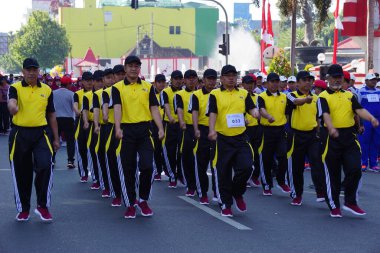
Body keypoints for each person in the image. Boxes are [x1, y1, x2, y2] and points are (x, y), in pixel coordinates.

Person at [317, 64, 379, 218]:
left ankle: (350, 202)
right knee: (333, 173)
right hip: (331, 137)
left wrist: (371, 118)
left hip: (349, 137)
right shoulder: (323, 96)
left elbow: (358, 110)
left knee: (355, 169)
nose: (338, 80)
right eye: (335, 77)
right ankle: (334, 205)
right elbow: (325, 114)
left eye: (340, 77)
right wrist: (331, 128)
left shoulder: (349, 95)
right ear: (328, 79)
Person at [8, 58, 60, 222]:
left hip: (41, 133)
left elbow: (51, 114)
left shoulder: (47, 89)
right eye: (28, 70)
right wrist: (13, 108)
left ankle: (42, 206)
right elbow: (11, 102)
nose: (31, 72)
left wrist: (56, 138)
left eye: (34, 70)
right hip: (20, 133)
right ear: (23, 72)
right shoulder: (14, 87)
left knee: (45, 165)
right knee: (21, 172)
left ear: (39, 72)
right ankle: (24, 209)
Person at [113, 55, 164, 219]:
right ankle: (130, 204)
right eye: (131, 66)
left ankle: (143, 200)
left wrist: (160, 127)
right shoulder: (118, 88)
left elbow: (154, 108)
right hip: (126, 131)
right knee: (128, 169)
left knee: (148, 166)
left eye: (137, 66)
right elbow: (118, 108)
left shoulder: (148, 87)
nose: (134, 68)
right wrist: (118, 127)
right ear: (125, 68)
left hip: (144, 131)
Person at [207, 65, 260, 217]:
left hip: (240, 137)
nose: (231, 78)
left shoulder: (243, 93)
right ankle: (226, 204)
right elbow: (212, 113)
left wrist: (255, 112)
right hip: (222, 138)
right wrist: (211, 130)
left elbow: (251, 108)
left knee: (247, 167)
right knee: (223, 173)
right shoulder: (215, 94)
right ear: (222, 78)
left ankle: (237, 193)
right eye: (227, 75)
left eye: (233, 75)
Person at [286, 71, 325, 205]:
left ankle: (320, 191)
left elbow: (318, 117)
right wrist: (305, 100)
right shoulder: (291, 95)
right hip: (296, 135)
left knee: (317, 163)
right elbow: (296, 102)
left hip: (312, 135)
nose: (308, 82)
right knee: (297, 167)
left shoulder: (316, 98)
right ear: (297, 82)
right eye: (304, 80)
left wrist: (319, 131)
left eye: (310, 80)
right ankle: (297, 194)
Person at [257, 72, 291, 196]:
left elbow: (287, 112)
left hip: (280, 130)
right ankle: (267, 185)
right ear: (267, 83)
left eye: (277, 81)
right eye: (272, 81)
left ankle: (281, 181)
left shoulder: (283, 96)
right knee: (266, 159)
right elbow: (261, 109)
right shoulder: (261, 96)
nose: (275, 84)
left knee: (283, 156)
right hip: (266, 130)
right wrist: (268, 116)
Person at [190, 69, 217, 204]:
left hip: (218, 131)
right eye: (209, 79)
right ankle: (203, 192)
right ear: (204, 80)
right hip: (203, 130)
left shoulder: (219, 94)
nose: (212, 82)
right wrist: (196, 129)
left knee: (217, 164)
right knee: (201, 164)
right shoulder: (196, 95)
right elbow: (194, 112)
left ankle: (218, 192)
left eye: (214, 79)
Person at [102, 68, 123, 206]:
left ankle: (134, 195)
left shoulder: (138, 88)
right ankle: (116, 192)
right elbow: (105, 106)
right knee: (113, 162)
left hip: (132, 128)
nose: (121, 77)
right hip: (112, 129)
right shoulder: (109, 91)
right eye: (118, 75)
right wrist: (104, 115)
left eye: (123, 74)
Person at [175, 69, 198, 196]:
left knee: (200, 159)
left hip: (201, 128)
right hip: (187, 129)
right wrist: (182, 121)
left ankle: (200, 185)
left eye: (193, 78)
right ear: (185, 80)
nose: (191, 80)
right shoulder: (180, 94)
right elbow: (179, 108)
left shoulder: (201, 93)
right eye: (189, 78)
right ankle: (190, 185)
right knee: (187, 157)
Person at [161, 70, 185, 188]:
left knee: (182, 151)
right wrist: (170, 117)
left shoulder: (186, 92)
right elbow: (165, 105)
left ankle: (181, 174)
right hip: (170, 125)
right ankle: (172, 175)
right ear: (171, 80)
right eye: (176, 79)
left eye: (180, 78)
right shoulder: (165, 92)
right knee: (169, 151)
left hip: (183, 125)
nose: (178, 81)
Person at [82, 70, 104, 190]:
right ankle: (96, 178)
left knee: (104, 154)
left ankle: (106, 179)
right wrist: (85, 121)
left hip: (107, 127)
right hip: (93, 127)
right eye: (98, 81)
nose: (100, 83)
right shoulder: (87, 95)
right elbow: (85, 110)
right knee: (93, 152)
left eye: (102, 80)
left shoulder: (108, 93)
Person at [92, 70, 112, 197]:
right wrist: (96, 125)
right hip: (104, 128)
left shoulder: (120, 90)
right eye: (106, 78)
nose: (110, 80)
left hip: (121, 127)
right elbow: (96, 110)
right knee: (103, 157)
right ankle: (105, 184)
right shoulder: (98, 94)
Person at [241, 74, 261, 187]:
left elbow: (259, 111)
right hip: (244, 129)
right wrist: (243, 119)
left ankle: (254, 176)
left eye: (251, 83)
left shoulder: (257, 97)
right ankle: (246, 177)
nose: (249, 86)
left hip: (257, 128)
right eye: (247, 83)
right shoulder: (240, 96)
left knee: (257, 154)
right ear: (243, 84)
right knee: (248, 155)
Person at [357, 73, 380, 172]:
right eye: (371, 80)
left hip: (377, 120)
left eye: (375, 80)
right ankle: (363, 163)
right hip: (365, 120)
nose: (374, 81)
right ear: (366, 81)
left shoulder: (379, 92)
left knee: (376, 142)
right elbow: (357, 108)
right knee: (364, 142)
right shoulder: (360, 92)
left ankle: (373, 164)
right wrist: (359, 123)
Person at [73, 72, 93, 182]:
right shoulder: (78, 94)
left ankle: (95, 174)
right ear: (82, 82)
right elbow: (75, 105)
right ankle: (84, 173)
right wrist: (78, 112)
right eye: (87, 80)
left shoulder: (98, 93)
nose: (89, 82)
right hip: (81, 123)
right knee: (81, 149)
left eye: (91, 80)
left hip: (93, 122)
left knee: (93, 149)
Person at [53, 76, 76, 168]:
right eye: (71, 84)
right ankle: (70, 161)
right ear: (68, 84)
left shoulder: (53, 93)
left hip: (56, 119)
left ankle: (52, 159)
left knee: (54, 139)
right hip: (68, 119)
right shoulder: (72, 94)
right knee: (70, 141)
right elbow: (74, 107)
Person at [152, 74, 168, 181]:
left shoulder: (167, 94)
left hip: (166, 123)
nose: (162, 84)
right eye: (159, 82)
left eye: (163, 82)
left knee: (166, 148)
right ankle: (157, 170)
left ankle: (167, 169)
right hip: (154, 123)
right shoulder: (151, 94)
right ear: (155, 83)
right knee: (156, 148)